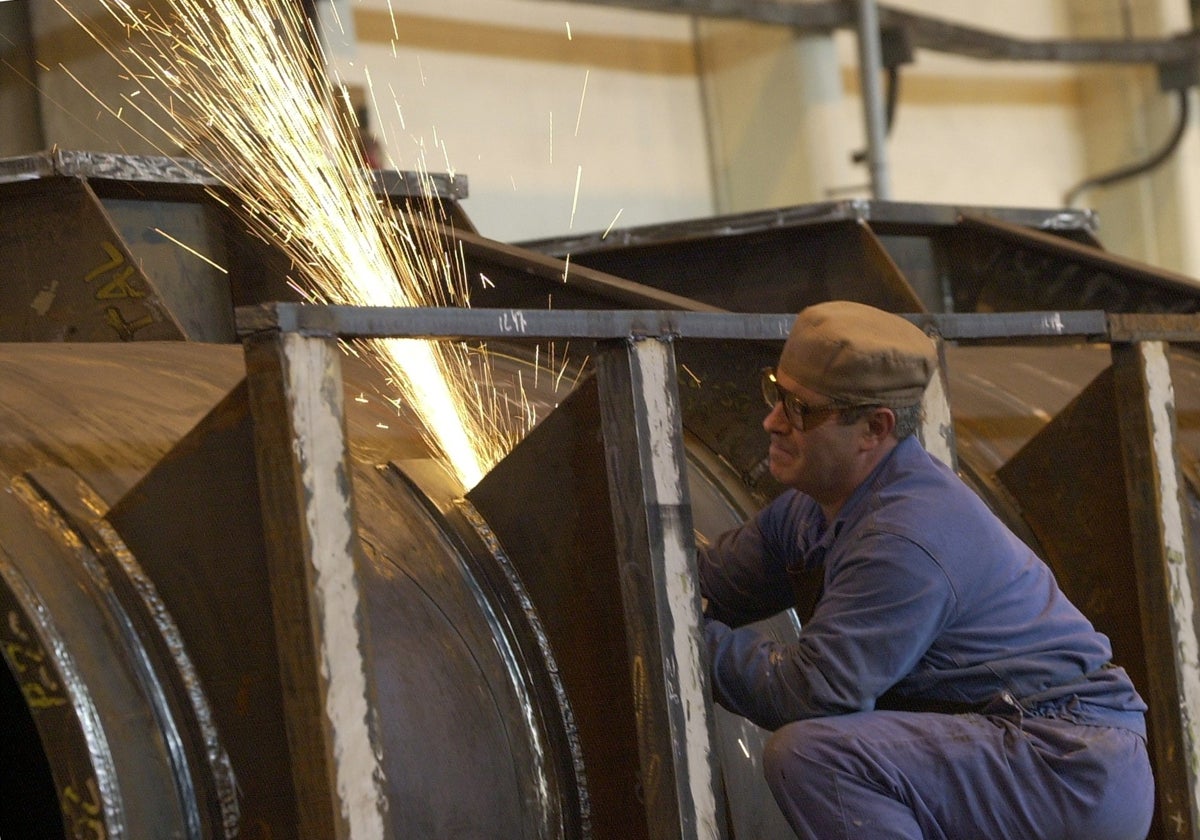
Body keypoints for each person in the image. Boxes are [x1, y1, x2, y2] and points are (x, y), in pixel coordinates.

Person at [698, 300, 1155, 839]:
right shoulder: (817, 507)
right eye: (776, 392)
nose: (772, 421)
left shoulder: (903, 535)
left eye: (800, 410)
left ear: (874, 427)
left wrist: (683, 641)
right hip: (1022, 743)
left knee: (817, 758)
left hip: (1065, 764)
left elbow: (813, 692)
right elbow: (704, 579)